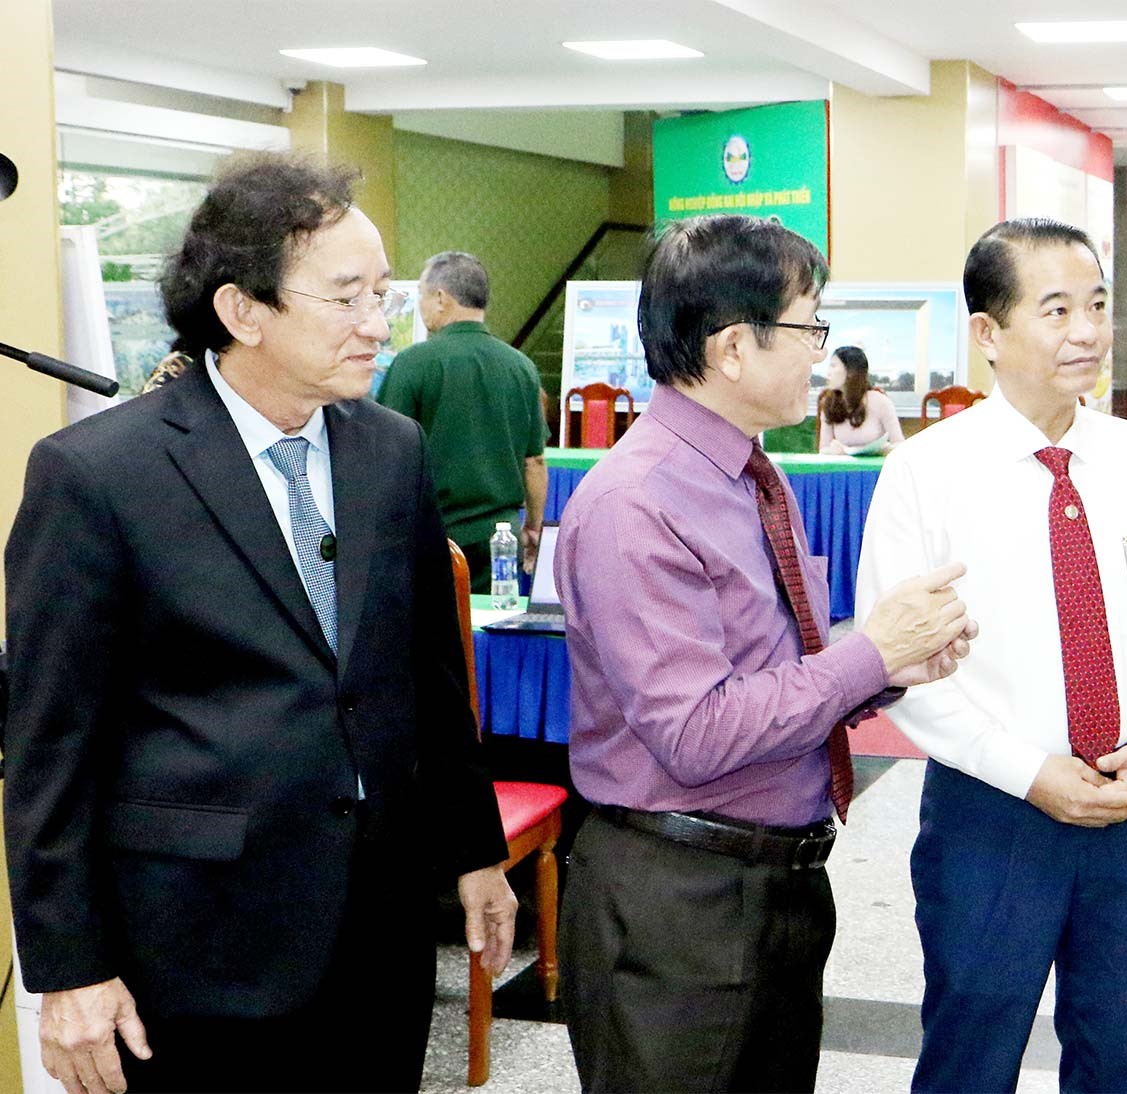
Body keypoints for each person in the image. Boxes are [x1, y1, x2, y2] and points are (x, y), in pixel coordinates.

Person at [2, 153, 517, 1094]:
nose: (379, 324)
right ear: (244, 312)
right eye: (347, 297)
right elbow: (49, 748)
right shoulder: (98, 477)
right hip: (193, 948)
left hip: (379, 934)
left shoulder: (391, 450)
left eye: (385, 292)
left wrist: (476, 852)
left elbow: (429, 682)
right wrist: (68, 968)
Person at [553, 213, 977, 1094]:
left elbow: (774, 673)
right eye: (808, 326)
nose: (821, 352)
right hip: (678, 899)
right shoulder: (637, 503)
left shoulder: (752, 473)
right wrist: (868, 655)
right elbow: (697, 732)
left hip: (776, 884)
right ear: (735, 347)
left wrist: (890, 667)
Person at [855, 218, 1127, 1093]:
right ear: (987, 333)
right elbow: (897, 663)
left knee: (1114, 1055)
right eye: (1056, 310)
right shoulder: (927, 472)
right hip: (991, 817)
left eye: (1096, 305)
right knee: (971, 1054)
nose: (1087, 331)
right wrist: (1029, 772)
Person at [377, 251, 548, 588]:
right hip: (500, 538)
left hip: (432, 538)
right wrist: (533, 526)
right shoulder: (522, 367)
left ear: (440, 298)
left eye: (423, 296)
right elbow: (536, 462)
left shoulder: (413, 364)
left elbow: (387, 456)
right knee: (489, 626)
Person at [816, 345, 905, 455]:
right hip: (844, 468)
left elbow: (900, 446)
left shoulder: (880, 401)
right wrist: (836, 452)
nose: (828, 373)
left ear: (851, 372)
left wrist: (884, 450)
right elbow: (823, 450)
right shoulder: (829, 403)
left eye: (833, 366)